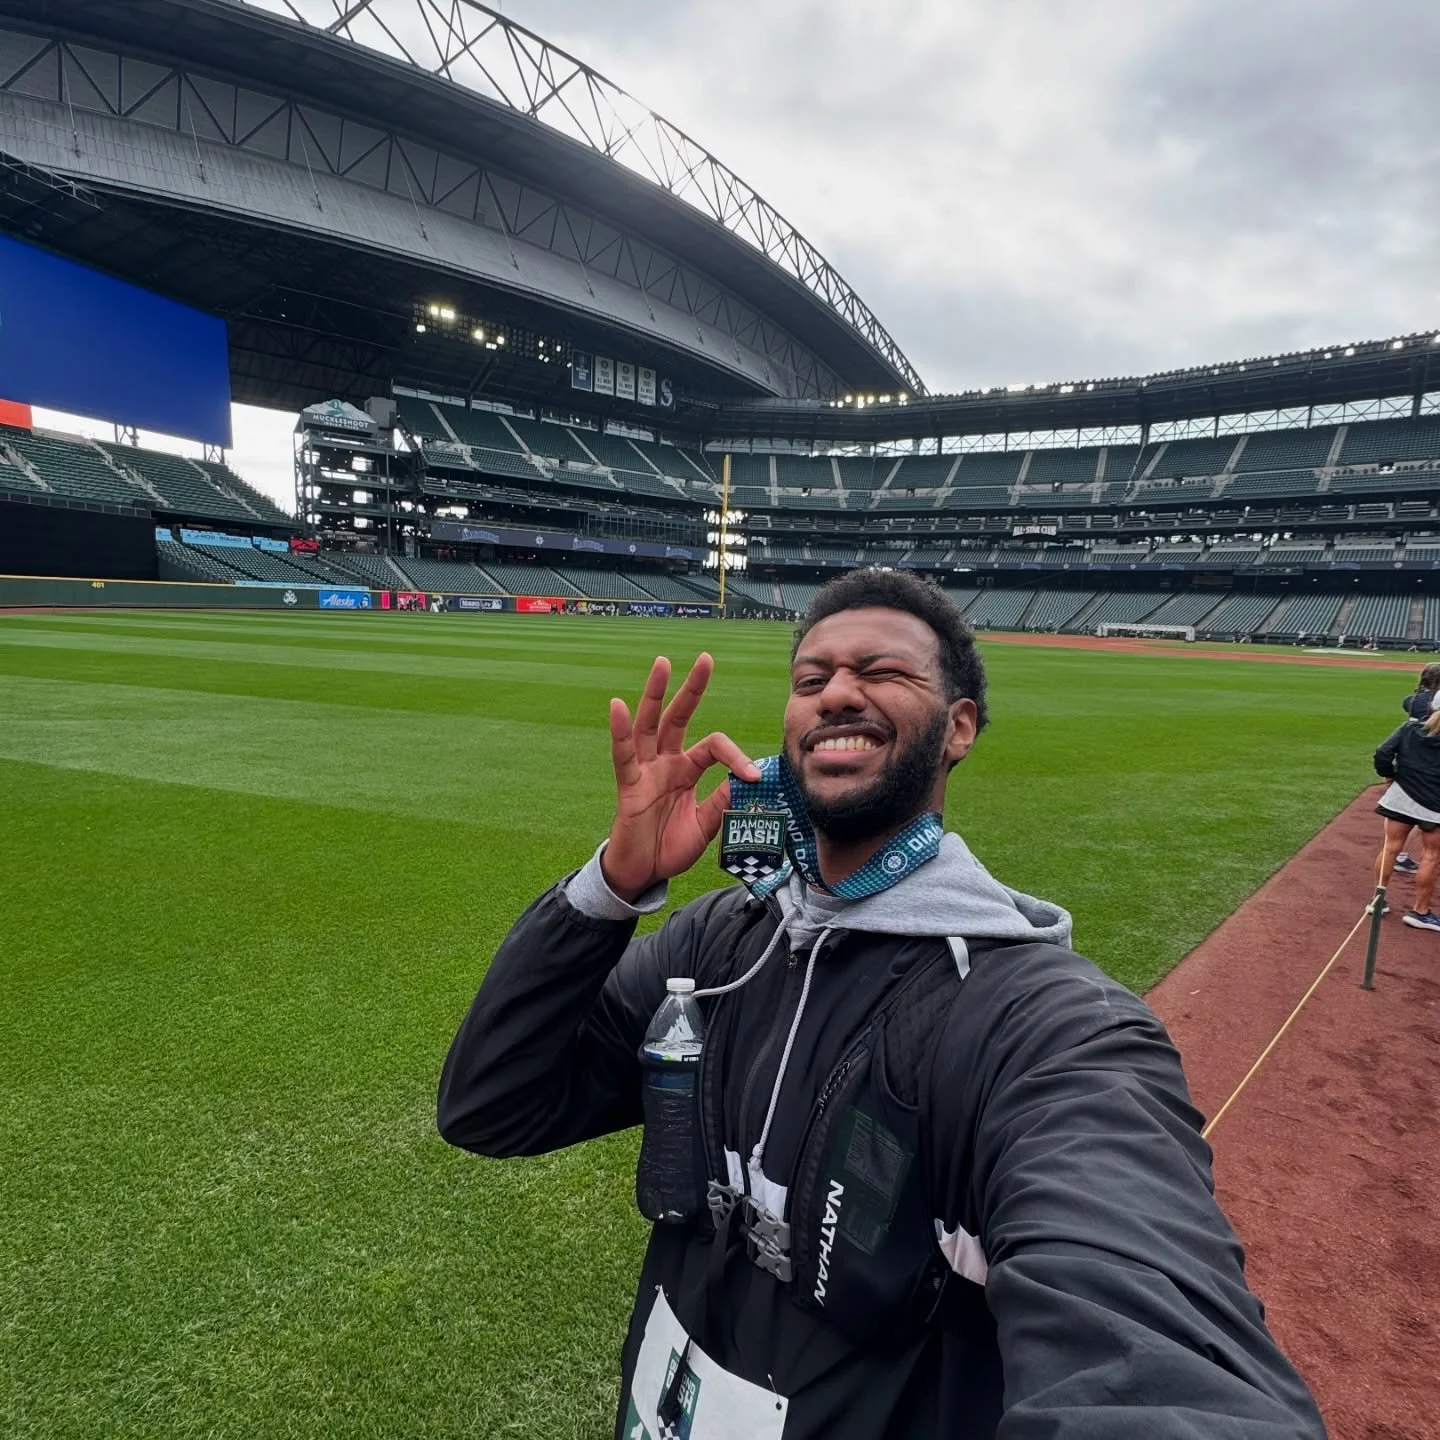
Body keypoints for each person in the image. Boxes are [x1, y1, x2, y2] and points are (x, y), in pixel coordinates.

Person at [438, 569, 1323, 1439]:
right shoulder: (718, 944)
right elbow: (493, 1106)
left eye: (882, 671)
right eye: (810, 680)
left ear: (958, 728)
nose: (835, 694)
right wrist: (613, 886)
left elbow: (1150, 1352)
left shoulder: (1042, 1024)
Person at [1373, 701, 1440, 931]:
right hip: (1435, 805)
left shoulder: (1410, 728)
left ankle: (1378, 901)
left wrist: (1390, 775)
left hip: (1402, 796)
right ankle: (1420, 911)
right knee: (1431, 856)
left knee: (1391, 847)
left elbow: (1383, 753)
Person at [1390, 664, 1440, 875]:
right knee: (1425, 816)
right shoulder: (1431, 702)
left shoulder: (1412, 700)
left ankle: (1399, 856)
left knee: (1409, 812)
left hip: (1409, 755)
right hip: (1429, 760)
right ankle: (1402, 856)